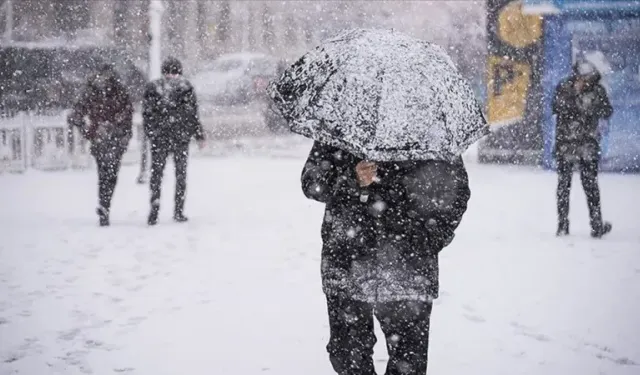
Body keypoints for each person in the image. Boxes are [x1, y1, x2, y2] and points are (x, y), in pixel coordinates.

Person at [301, 141, 470, 375]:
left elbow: (456, 191)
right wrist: (352, 178)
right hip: (348, 261)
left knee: (409, 362)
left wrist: (429, 239)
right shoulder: (342, 123)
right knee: (347, 354)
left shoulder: (429, 128)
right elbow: (312, 182)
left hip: (409, 266)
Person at [552, 60, 613, 238]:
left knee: (590, 186)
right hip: (568, 145)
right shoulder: (565, 87)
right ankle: (562, 224)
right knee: (564, 186)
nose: (584, 80)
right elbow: (556, 107)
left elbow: (607, 111)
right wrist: (576, 96)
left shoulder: (597, 90)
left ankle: (596, 225)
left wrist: (589, 102)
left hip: (586, 145)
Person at [68, 63, 133, 226]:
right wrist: (123, 133)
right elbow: (127, 115)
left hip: (103, 137)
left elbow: (76, 115)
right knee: (110, 174)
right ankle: (105, 204)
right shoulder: (116, 91)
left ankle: (104, 205)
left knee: (104, 173)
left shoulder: (92, 91)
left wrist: (88, 130)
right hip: (110, 137)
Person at [143, 57, 205, 225]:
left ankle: (154, 206)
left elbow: (147, 114)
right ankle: (178, 210)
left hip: (160, 138)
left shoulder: (153, 87)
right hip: (180, 137)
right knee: (180, 174)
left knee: (157, 174)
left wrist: (152, 133)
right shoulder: (185, 87)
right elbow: (192, 114)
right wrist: (199, 135)